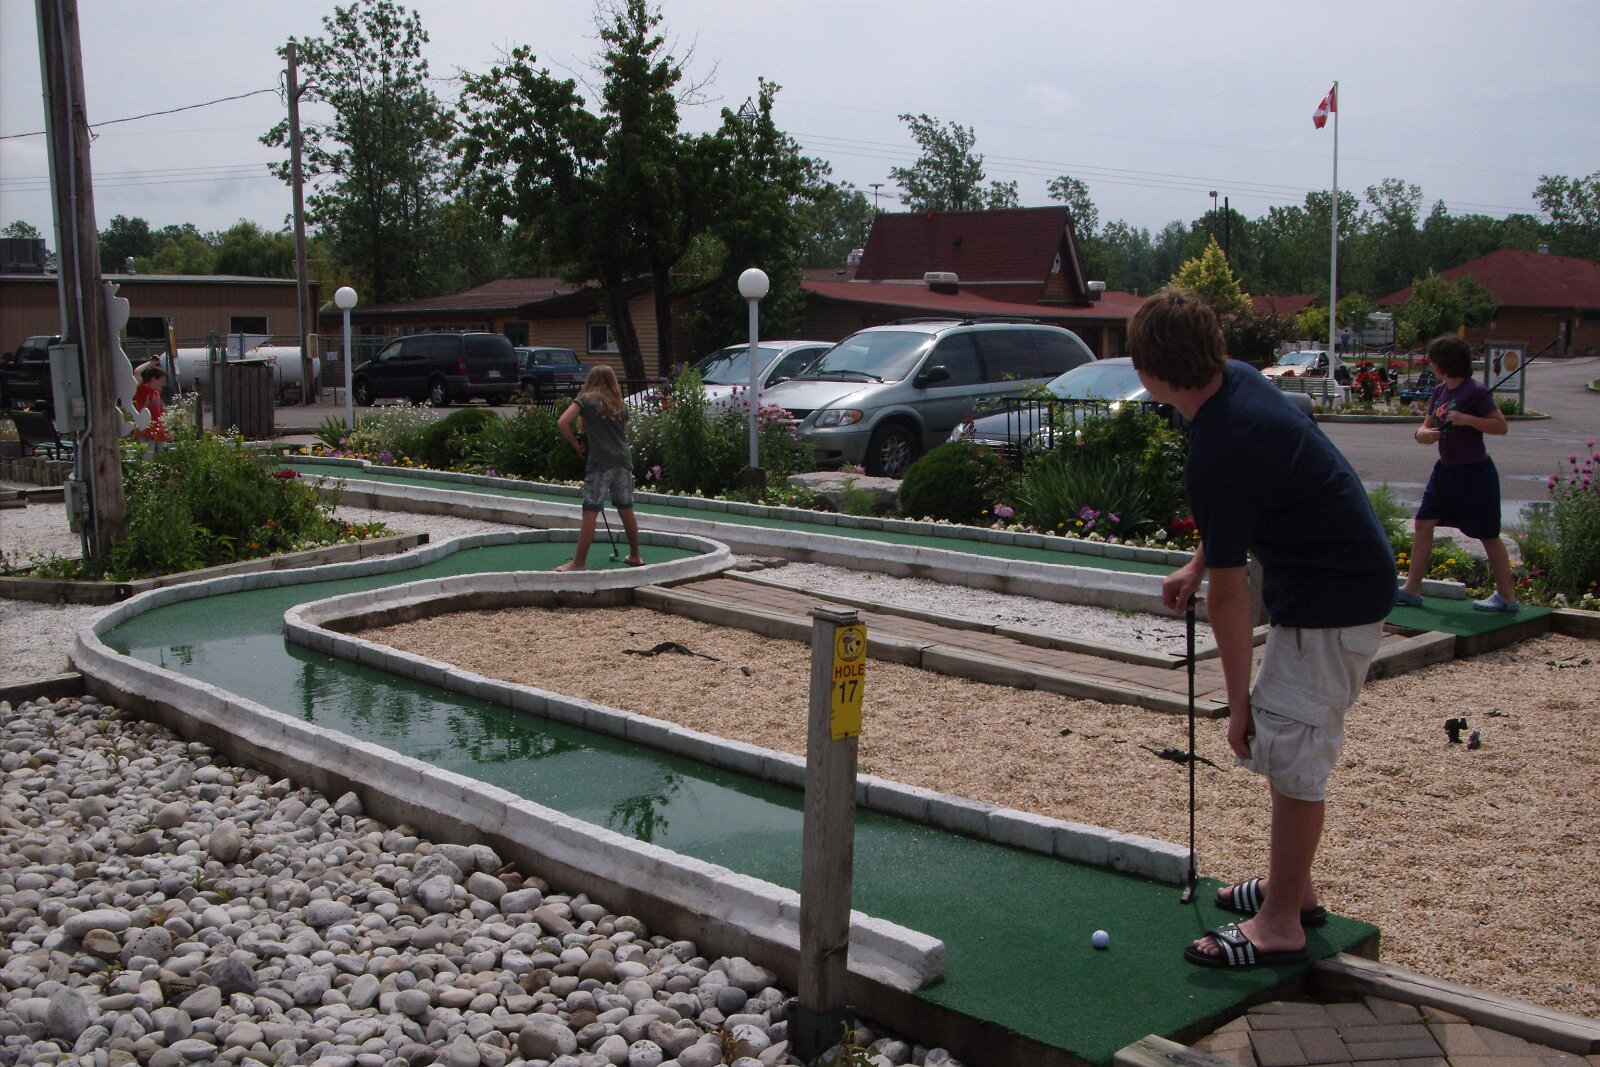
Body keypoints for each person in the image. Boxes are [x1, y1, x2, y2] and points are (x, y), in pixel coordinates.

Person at [1126, 287, 1395, 969]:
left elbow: (1231, 598)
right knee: (1291, 742)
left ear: (1149, 373)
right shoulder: (1236, 383)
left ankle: (1280, 925)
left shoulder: (1218, 446)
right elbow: (1247, 505)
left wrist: (1239, 704)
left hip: (1332, 599)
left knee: (1296, 753)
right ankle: (1291, 890)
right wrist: (1198, 561)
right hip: (1335, 581)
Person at [1395, 335, 1519, 613]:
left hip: (1474, 472)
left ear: (1444, 363)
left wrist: (1466, 420)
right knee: (1423, 523)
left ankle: (1507, 597)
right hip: (1446, 471)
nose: (1430, 364)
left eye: (1432, 360)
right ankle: (1412, 589)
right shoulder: (1440, 391)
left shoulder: (1475, 391)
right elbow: (1425, 427)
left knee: (1488, 533)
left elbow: (1500, 426)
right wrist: (1423, 435)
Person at [554, 365, 643, 571]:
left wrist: (576, 445)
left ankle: (578, 562)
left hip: (600, 461)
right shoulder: (619, 404)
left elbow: (563, 422)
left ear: (591, 379)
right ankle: (635, 555)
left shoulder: (585, 399)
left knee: (591, 509)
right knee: (626, 507)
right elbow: (621, 431)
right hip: (623, 459)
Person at [131, 364, 171, 443]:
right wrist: (151, 362)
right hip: (146, 433)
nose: (162, 384)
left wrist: (167, 430)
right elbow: (137, 372)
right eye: (161, 381)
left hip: (159, 434)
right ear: (153, 379)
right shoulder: (142, 390)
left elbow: (161, 414)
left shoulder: (156, 393)